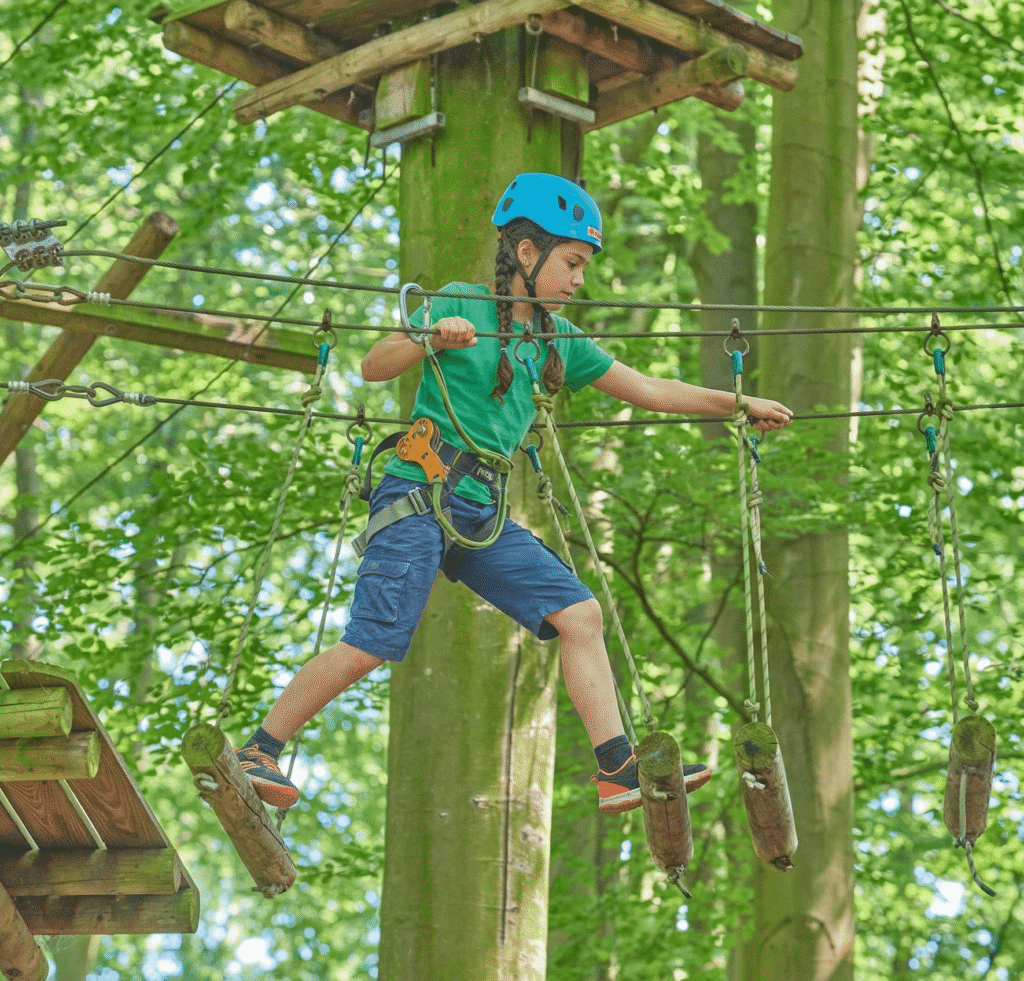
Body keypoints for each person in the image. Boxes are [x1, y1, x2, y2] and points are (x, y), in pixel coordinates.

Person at [234, 173, 793, 815]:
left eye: (584, 266)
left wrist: (736, 403)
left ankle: (618, 767)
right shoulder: (464, 303)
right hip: (418, 491)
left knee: (580, 616)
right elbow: (374, 364)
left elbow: (648, 389)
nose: (579, 279)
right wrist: (429, 337)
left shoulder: (556, 339)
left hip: (481, 512)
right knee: (375, 641)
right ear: (527, 253)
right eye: (572, 262)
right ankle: (259, 749)